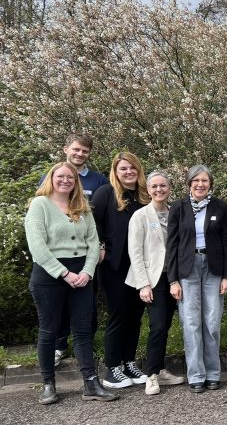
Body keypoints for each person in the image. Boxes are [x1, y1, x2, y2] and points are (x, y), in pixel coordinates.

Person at [25, 162, 118, 404]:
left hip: (82, 274)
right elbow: (37, 247)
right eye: (61, 176)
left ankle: (90, 383)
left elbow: (93, 242)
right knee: (49, 330)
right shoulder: (40, 205)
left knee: (82, 330)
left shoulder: (82, 206)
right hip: (49, 275)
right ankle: (48, 384)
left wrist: (87, 272)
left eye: (71, 177)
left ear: (76, 181)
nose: (66, 180)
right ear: (51, 178)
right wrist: (64, 274)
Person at [166, 165, 227, 393]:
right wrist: (173, 280)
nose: (201, 184)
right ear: (189, 184)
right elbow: (171, 246)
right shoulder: (178, 207)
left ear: (210, 184)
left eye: (205, 180)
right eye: (196, 180)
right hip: (188, 270)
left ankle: (213, 373)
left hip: (213, 269)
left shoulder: (220, 207)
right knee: (191, 323)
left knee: (212, 323)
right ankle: (195, 375)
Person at [45, 134, 108, 367]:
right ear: (66, 150)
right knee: (58, 304)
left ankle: (85, 345)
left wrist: (101, 245)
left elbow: (102, 216)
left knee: (86, 302)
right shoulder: (52, 176)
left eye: (84, 151)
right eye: (76, 149)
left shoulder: (98, 180)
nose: (80, 154)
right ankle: (59, 346)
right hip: (58, 254)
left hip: (87, 252)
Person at [125, 171, 186, 395]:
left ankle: (159, 369)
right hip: (153, 279)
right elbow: (135, 252)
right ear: (148, 189)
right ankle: (151, 375)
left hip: (175, 276)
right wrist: (143, 284)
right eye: (154, 186)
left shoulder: (176, 214)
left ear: (169, 188)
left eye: (163, 186)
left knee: (166, 325)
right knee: (158, 326)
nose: (159, 190)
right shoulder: (140, 216)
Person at [93, 151, 150, 389]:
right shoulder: (106, 193)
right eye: (123, 169)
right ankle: (112, 367)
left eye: (132, 168)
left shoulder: (144, 196)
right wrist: (100, 245)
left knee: (135, 317)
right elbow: (92, 223)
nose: (128, 172)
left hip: (140, 267)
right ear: (115, 172)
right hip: (115, 266)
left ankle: (128, 362)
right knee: (118, 316)